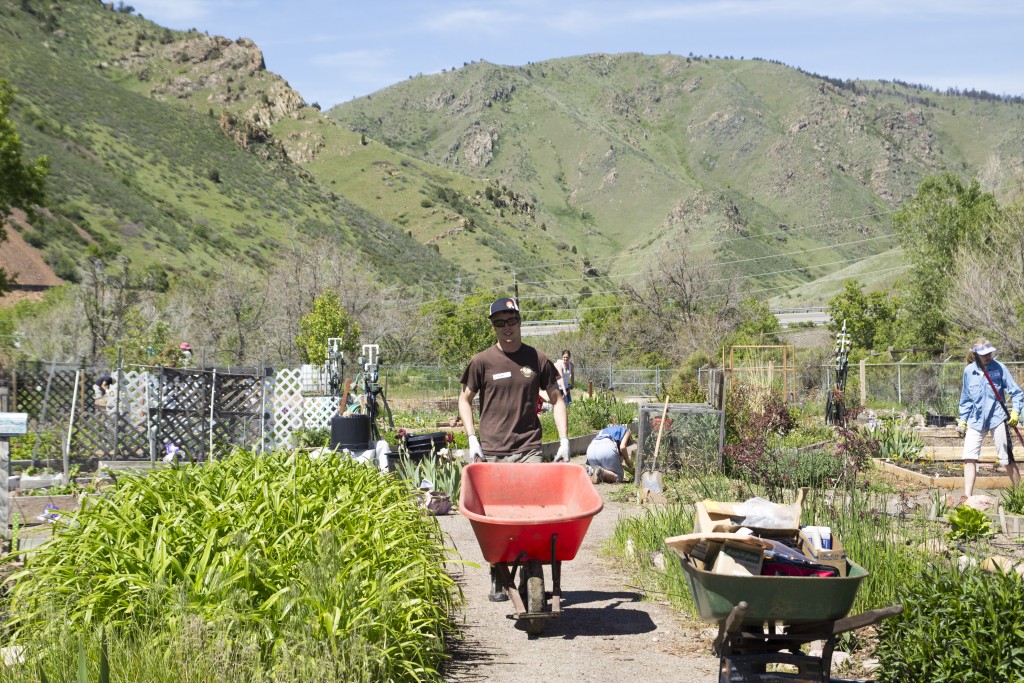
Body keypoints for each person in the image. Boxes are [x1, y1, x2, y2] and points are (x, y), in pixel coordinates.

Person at [458, 297, 570, 464]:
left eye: (512, 320)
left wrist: (564, 440)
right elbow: (464, 400)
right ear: (493, 325)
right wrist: (472, 438)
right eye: (500, 323)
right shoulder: (480, 362)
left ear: (519, 321)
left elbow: (557, 400)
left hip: (529, 449)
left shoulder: (538, 358)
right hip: (491, 452)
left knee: (531, 491)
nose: (507, 327)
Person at [957, 339, 1022, 498]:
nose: (988, 356)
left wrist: (1015, 412)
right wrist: (963, 420)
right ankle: (967, 497)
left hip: (997, 417)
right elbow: (965, 398)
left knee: (1006, 457)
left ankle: (1020, 496)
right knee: (969, 457)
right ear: (975, 354)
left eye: (989, 353)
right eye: (984, 354)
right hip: (976, 419)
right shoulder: (969, 372)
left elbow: (1017, 392)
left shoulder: (999, 368)